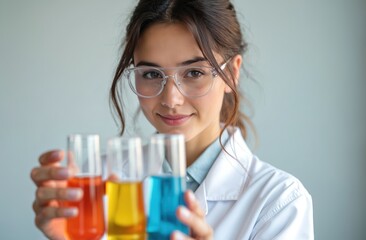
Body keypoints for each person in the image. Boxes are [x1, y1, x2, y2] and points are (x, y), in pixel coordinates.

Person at [31, 0, 314, 239]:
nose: (171, 99)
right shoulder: (101, 183)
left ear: (232, 74)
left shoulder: (280, 202)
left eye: (194, 73)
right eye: (152, 74)